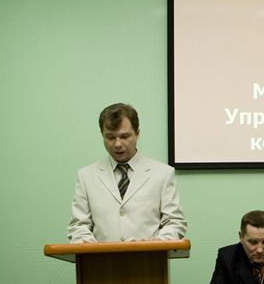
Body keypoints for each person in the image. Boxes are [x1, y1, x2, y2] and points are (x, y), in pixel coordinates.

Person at [67, 103, 187, 242]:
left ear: (137, 133)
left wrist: (158, 243)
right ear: (102, 135)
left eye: (124, 136)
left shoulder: (163, 174)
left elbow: (175, 222)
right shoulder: (86, 176)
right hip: (101, 256)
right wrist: (90, 246)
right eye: (110, 137)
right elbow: (79, 226)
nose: (117, 144)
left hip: (150, 255)